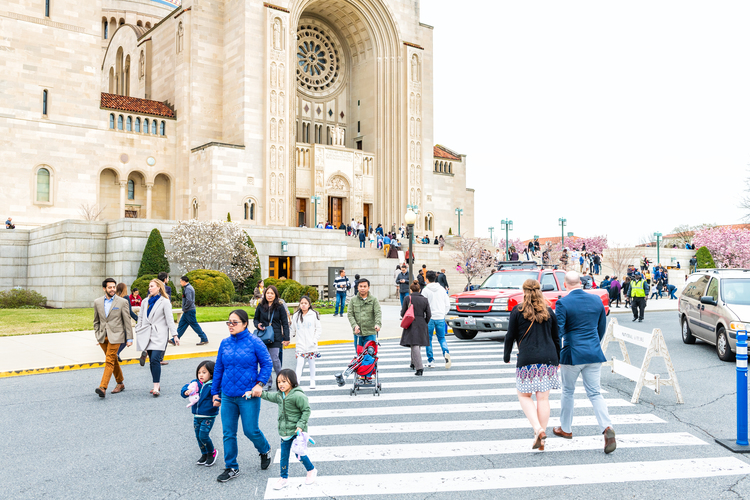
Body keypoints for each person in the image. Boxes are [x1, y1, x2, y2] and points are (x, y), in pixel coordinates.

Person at [554, 271, 616, 454]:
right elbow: (601, 327)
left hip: (572, 353)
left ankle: (565, 428)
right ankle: (606, 427)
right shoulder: (597, 300)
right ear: (581, 283)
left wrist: (556, 353)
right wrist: (594, 343)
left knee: (568, 391)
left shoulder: (562, 303)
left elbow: (558, 331)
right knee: (595, 393)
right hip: (594, 352)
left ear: (566, 284)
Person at [212, 310, 273, 482]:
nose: (230, 325)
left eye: (234, 322)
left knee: (250, 430)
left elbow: (267, 364)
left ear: (245, 323)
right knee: (228, 432)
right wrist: (215, 392)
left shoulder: (255, 342)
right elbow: (218, 369)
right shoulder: (224, 343)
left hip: (248, 395)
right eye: (229, 322)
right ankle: (231, 467)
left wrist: (259, 384)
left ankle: (264, 449)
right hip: (228, 395)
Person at [504, 279, 560, 451]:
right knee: (543, 398)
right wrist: (557, 359)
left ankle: (538, 430)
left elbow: (510, 336)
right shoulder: (549, 311)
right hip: (548, 358)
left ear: (524, 291)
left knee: (524, 395)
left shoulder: (517, 311)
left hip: (527, 357)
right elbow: (556, 338)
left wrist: (506, 356)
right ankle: (541, 439)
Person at [260, 369, 317, 490]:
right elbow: (268, 396)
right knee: (284, 455)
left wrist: (300, 425)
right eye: (279, 381)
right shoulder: (280, 395)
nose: (281, 384)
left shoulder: (298, 395)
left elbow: (306, 410)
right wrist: (257, 393)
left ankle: (311, 470)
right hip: (285, 431)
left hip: (297, 431)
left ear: (292, 381)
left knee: (299, 454)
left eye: (284, 381)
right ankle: (284, 478)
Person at [135, 279, 179, 397]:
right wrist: (138, 328)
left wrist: (175, 335)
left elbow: (170, 319)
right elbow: (140, 317)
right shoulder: (145, 301)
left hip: (159, 335)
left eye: (152, 286)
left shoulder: (164, 302)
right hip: (146, 334)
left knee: (155, 359)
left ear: (159, 287)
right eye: (149, 286)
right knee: (152, 361)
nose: (150, 288)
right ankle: (156, 383)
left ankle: (155, 387)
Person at [93, 278, 133, 398]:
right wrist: (97, 334)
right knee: (113, 359)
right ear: (104, 288)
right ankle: (120, 382)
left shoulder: (122, 302)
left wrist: (129, 338)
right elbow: (96, 320)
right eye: (110, 287)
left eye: (114, 287)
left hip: (117, 336)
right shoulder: (97, 302)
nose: (112, 289)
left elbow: (127, 321)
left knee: (109, 360)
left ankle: (103, 387)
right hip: (102, 337)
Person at [181, 360, 219, 467]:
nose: (200, 375)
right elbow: (185, 388)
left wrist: (217, 401)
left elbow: (219, 395)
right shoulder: (195, 383)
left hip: (208, 415)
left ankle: (212, 452)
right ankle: (204, 454)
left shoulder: (213, 385)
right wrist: (186, 391)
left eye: (204, 372)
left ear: (211, 373)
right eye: (199, 372)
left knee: (203, 435)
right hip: (197, 415)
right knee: (198, 436)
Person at [254, 285, 290, 391]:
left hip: (276, 337)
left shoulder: (280, 306)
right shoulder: (261, 306)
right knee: (265, 360)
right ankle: (267, 382)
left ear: (275, 295)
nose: (269, 295)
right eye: (268, 293)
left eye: (272, 293)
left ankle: (281, 382)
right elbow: (255, 319)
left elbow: (285, 323)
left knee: (275, 359)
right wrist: (258, 325)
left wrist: (286, 337)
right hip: (263, 336)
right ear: (265, 294)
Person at [400, 281, 431, 376]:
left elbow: (402, 313)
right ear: (420, 289)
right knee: (417, 343)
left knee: (414, 344)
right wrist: (425, 321)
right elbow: (429, 314)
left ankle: (419, 367)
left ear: (410, 289)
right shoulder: (425, 299)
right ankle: (413, 362)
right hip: (422, 322)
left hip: (411, 322)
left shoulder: (407, 298)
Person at [422, 271, 451, 369]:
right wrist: (443, 313)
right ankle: (446, 352)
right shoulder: (442, 289)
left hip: (429, 318)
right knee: (441, 338)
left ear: (427, 279)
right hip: (440, 316)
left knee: (428, 339)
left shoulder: (425, 290)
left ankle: (431, 360)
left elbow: (422, 305)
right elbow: (447, 303)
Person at [291, 296, 322, 389]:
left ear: (309, 305)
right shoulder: (296, 316)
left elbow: (318, 329)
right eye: (301, 303)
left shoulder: (314, 314)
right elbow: (293, 329)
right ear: (299, 304)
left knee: (312, 364)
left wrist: (314, 340)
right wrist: (287, 338)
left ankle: (312, 381)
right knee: (299, 364)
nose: (303, 305)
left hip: (311, 345)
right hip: (300, 345)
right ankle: (297, 382)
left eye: (305, 303)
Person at [347, 278, 382, 352]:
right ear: (357, 287)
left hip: (370, 332)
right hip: (358, 333)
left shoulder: (374, 300)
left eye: (365, 286)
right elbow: (350, 314)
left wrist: (378, 324)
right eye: (361, 286)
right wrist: (354, 326)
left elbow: (378, 313)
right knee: (359, 356)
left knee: (370, 356)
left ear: (368, 287)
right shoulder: (353, 300)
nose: (362, 288)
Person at [176, 276, 209, 345]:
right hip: (187, 311)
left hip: (189, 311)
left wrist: (185, 308)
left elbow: (189, 300)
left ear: (184, 281)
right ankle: (175, 339)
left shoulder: (188, 289)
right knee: (181, 325)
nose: (180, 283)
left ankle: (204, 338)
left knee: (194, 325)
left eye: (181, 281)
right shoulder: (188, 288)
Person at [115, 283, 138, 362]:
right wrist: (137, 318)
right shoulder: (126, 297)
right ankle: (116, 353)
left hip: (115, 321)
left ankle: (115, 353)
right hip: (123, 321)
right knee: (126, 339)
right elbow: (129, 311)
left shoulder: (114, 297)